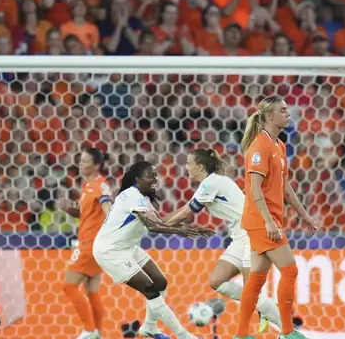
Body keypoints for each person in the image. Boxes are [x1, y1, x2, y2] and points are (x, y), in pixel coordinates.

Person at [164, 148, 282, 333]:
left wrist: (157, 227)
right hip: (239, 237)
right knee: (217, 282)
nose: (186, 167)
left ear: (200, 166)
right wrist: (158, 221)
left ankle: (287, 331)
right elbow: (185, 210)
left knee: (252, 291)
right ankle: (265, 306)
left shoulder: (211, 183)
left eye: (189, 163)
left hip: (253, 233)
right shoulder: (208, 184)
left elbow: (186, 214)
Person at [92, 161, 213, 339]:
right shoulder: (131, 195)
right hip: (110, 251)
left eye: (156, 175)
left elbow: (162, 222)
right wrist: (180, 231)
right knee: (151, 290)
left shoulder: (143, 198)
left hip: (128, 247)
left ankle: (149, 328)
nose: (155, 179)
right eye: (151, 175)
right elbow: (152, 226)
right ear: (137, 179)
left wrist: (190, 222)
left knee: (160, 281)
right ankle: (184, 336)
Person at [234, 96, 317, 339]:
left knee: (257, 278)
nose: (288, 113)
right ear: (270, 116)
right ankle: (287, 332)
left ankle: (240, 335)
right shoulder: (259, 146)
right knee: (290, 270)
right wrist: (269, 221)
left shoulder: (279, 145)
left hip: (268, 219)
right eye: (283, 110)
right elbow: (254, 188)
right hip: (262, 220)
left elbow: (285, 185)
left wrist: (304, 215)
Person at [62, 147, 112, 339]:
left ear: (96, 165)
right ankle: (98, 332)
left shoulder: (100, 186)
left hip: (89, 244)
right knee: (91, 291)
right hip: (94, 243)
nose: (81, 164)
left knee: (69, 287)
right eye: (80, 160)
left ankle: (89, 330)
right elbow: (87, 213)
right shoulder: (87, 186)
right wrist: (69, 209)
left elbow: (108, 206)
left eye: (85, 161)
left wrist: (112, 223)